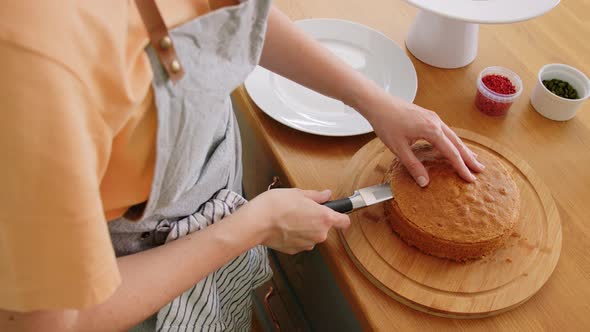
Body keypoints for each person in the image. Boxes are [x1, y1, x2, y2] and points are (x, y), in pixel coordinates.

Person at [0, 0, 484, 331]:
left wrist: (371, 99)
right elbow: (48, 322)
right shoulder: (34, 66)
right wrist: (252, 226)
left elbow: (233, 17)